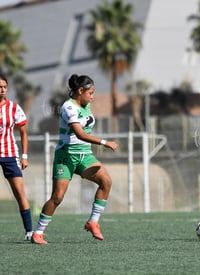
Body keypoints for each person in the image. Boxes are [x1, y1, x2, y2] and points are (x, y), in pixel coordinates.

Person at [31, 74, 118, 245]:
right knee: (57, 197)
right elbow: (79, 133)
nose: (92, 97)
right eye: (90, 93)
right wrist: (104, 142)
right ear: (80, 91)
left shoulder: (85, 105)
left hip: (85, 156)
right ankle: (38, 232)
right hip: (66, 157)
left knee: (106, 181)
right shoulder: (68, 107)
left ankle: (93, 222)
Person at [0, 74, 33, 241]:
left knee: (20, 193)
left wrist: (24, 156)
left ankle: (29, 232)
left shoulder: (14, 108)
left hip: (9, 154)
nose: (2, 90)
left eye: (4, 87)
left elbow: (23, 132)